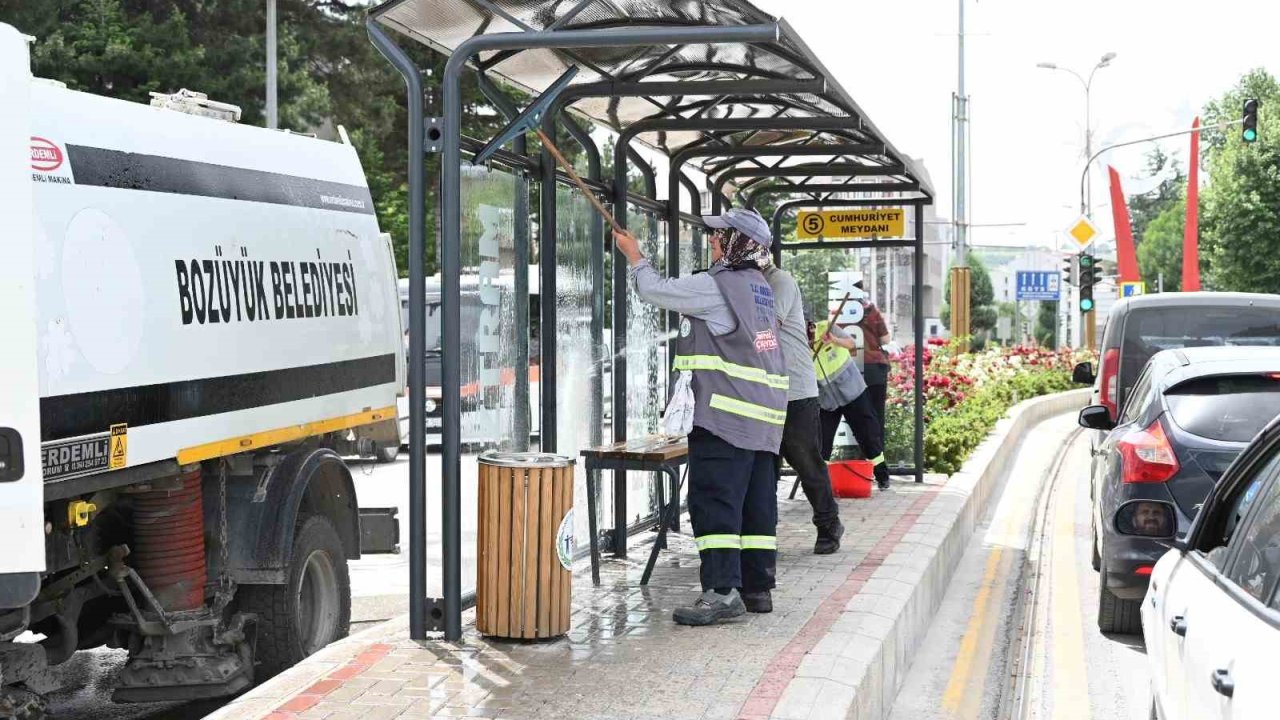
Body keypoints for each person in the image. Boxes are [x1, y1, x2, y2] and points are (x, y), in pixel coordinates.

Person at [614, 207, 787, 626]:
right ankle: (755, 588)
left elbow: (657, 291)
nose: (712, 240)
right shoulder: (760, 288)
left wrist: (634, 255)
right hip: (763, 419)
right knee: (755, 506)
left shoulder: (717, 286)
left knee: (715, 504)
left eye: (719, 235)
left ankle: (721, 592)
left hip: (725, 416)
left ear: (737, 243)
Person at [761, 260, 845, 554]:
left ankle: (828, 522)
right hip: (760, 394)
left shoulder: (779, 281)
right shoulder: (741, 283)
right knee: (763, 468)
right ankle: (764, 537)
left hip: (794, 392)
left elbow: (767, 326)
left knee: (806, 461)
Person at [811, 312, 891, 490]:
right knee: (822, 441)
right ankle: (820, 486)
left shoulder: (826, 326)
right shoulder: (800, 345)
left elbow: (852, 343)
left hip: (853, 390)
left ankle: (882, 475)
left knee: (868, 433)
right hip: (827, 399)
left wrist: (833, 340)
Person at [851, 280, 900, 434]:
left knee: (856, 414)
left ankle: (858, 453)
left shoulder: (841, 312)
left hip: (853, 369)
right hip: (875, 367)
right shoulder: (872, 311)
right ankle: (877, 454)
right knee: (877, 414)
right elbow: (885, 339)